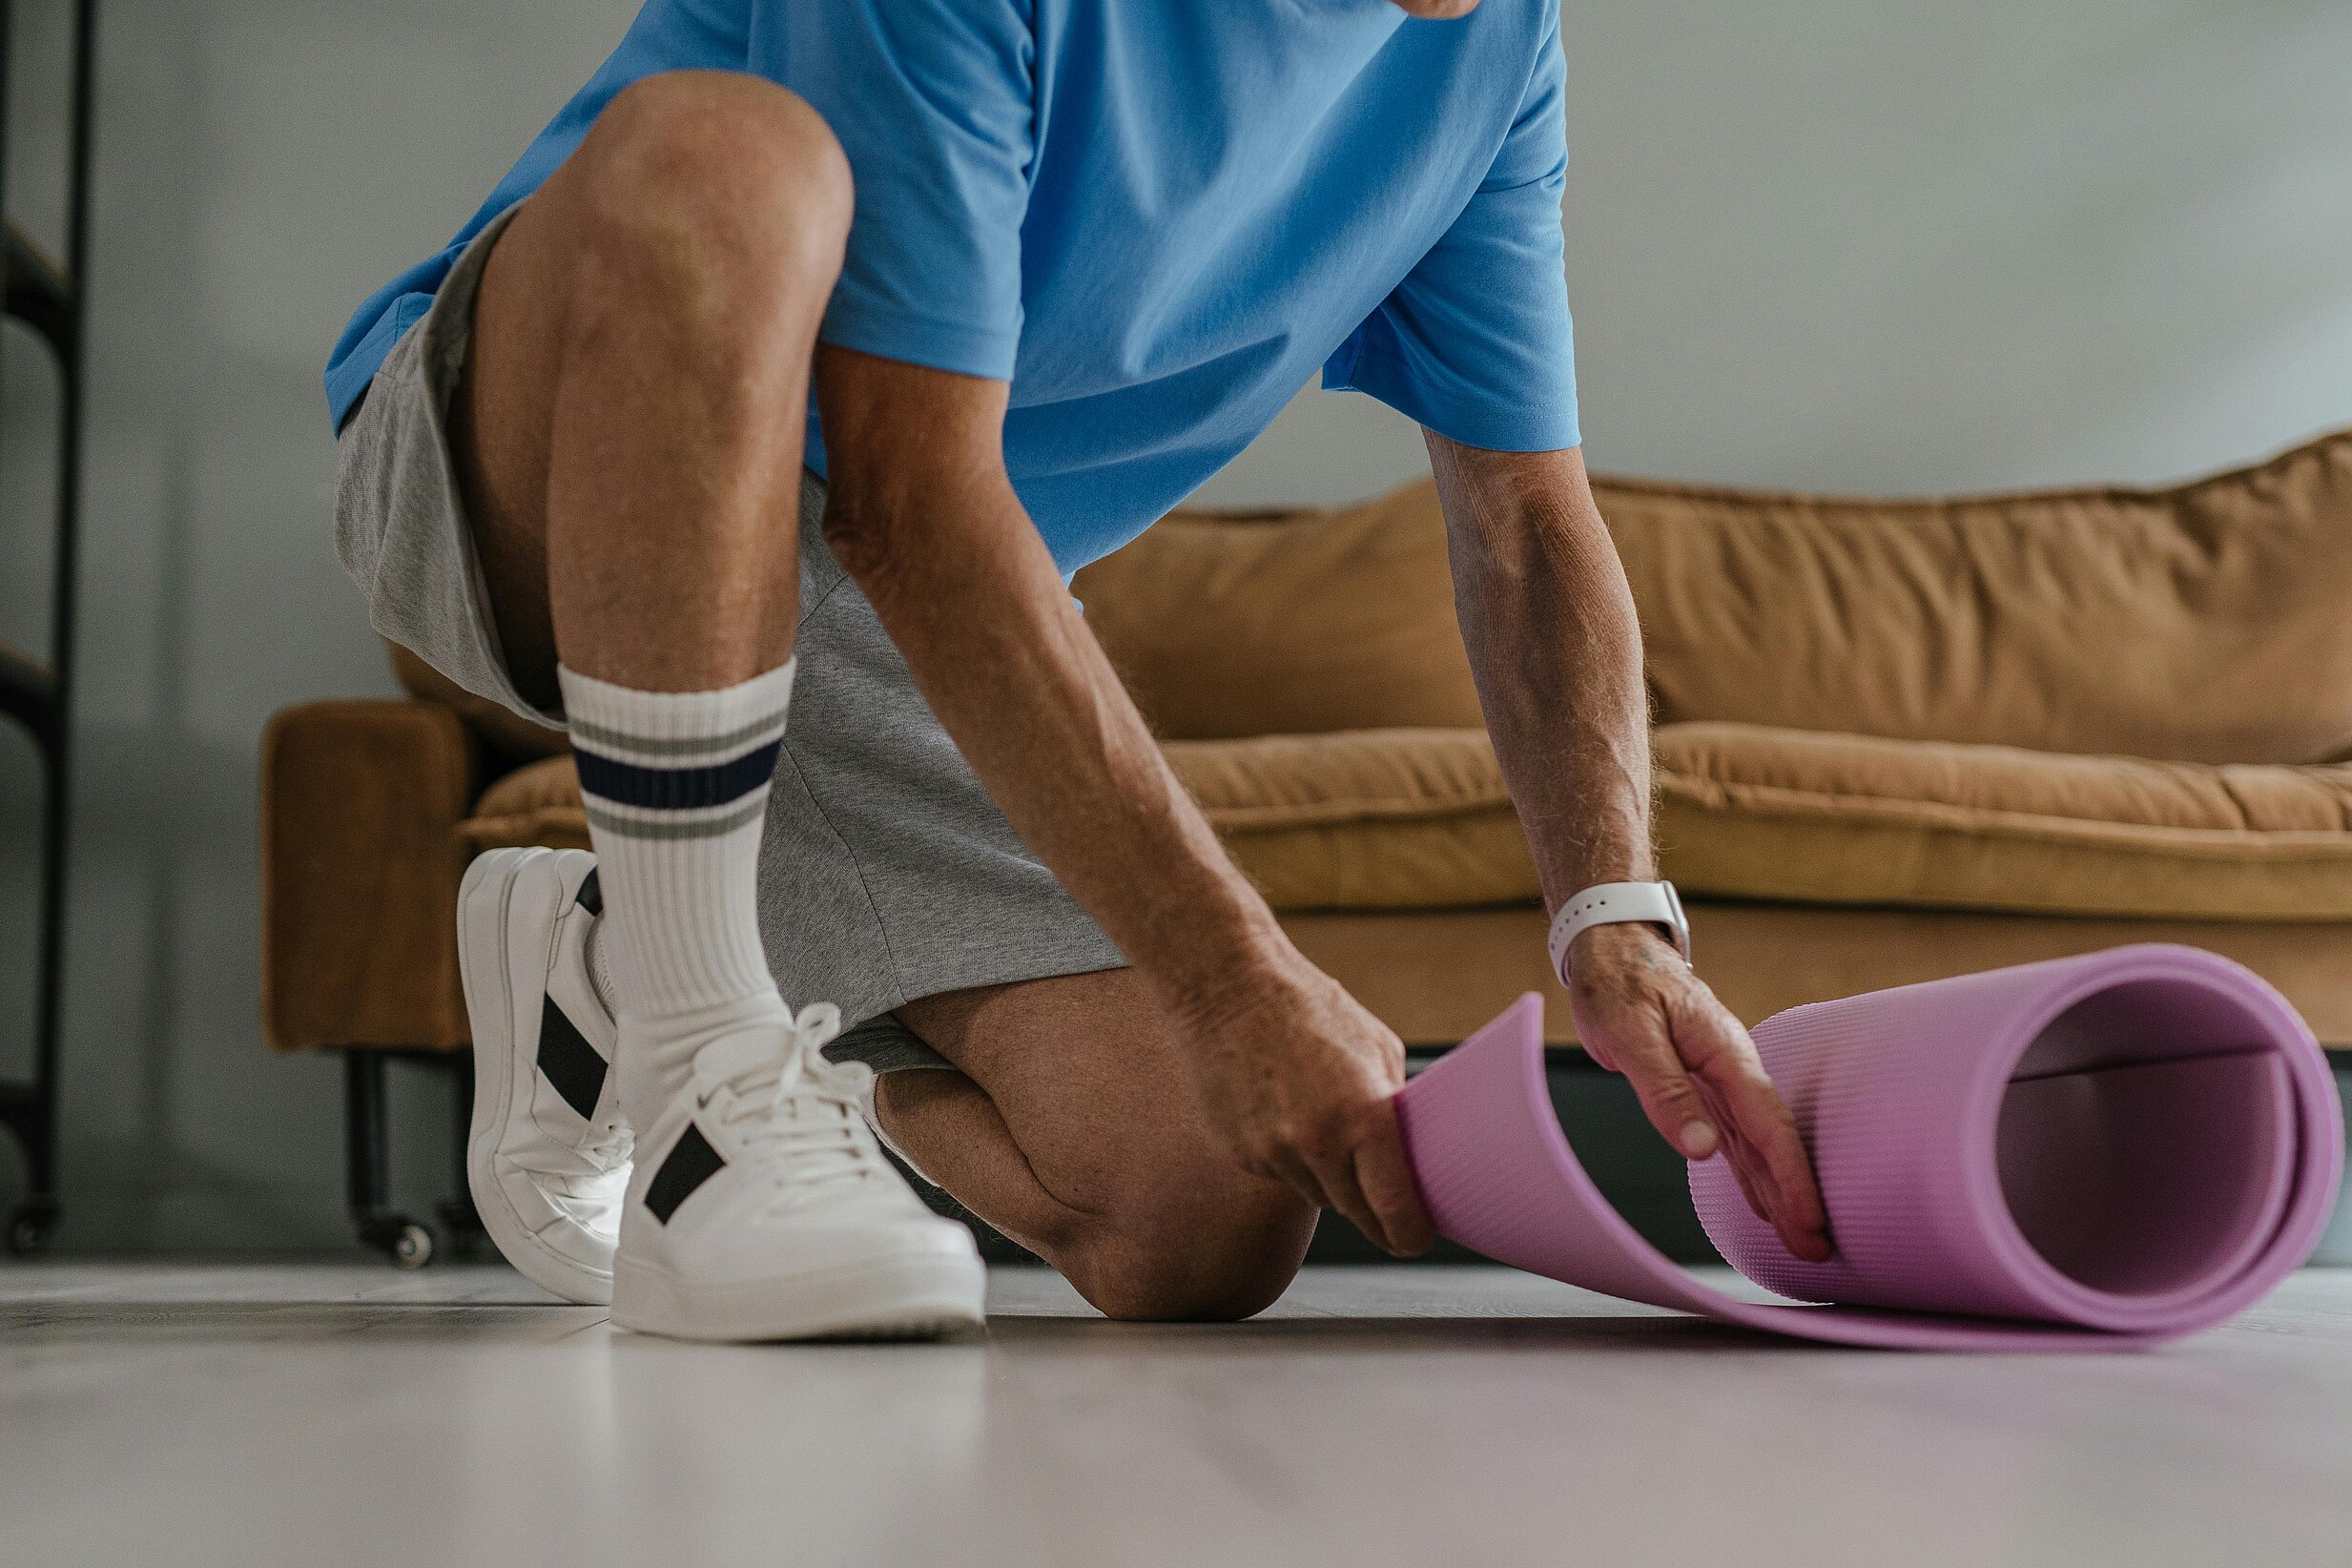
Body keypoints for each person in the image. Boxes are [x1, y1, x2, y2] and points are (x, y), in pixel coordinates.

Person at [329, 0, 1830, 1343]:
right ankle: (699, 1055)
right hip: (549, 462)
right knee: (727, 155)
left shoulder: (1490, 50)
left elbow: (1526, 522)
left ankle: (610, 956)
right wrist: (1235, 978)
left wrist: (1616, 922)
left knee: (1204, 1212)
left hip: (912, 579)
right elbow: (910, 498)